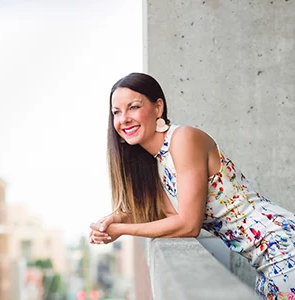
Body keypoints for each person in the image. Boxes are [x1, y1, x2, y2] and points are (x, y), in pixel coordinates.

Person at [89, 72, 295, 299]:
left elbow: (188, 224)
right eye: (116, 112)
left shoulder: (183, 139)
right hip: (265, 262)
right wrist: (117, 218)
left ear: (158, 108)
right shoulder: (158, 165)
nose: (123, 118)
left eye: (133, 107)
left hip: (282, 250)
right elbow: (161, 215)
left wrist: (122, 230)